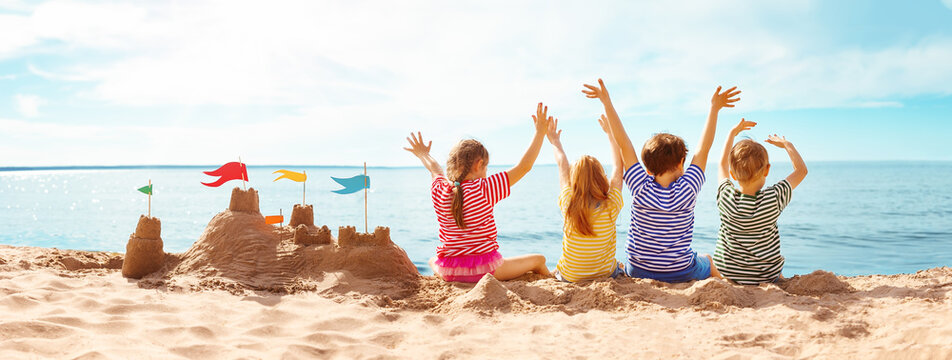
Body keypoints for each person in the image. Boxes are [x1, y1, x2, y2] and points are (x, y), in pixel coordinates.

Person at [583, 78, 738, 282]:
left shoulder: (640, 186)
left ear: (647, 168)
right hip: (680, 271)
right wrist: (714, 109)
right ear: (682, 161)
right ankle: (730, 285)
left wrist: (607, 102)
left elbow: (624, 144)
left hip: (638, 269)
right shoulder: (689, 188)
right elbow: (703, 149)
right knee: (708, 260)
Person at [403, 103, 553, 282]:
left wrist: (422, 154)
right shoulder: (485, 188)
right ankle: (552, 280)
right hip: (486, 270)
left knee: (432, 260)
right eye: (486, 167)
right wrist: (540, 133)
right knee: (539, 260)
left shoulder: (440, 189)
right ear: (479, 164)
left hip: (449, 272)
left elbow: (434, 168)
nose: (487, 172)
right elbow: (524, 167)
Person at [713, 119, 808, 284]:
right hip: (765, 277)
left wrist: (732, 133)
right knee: (778, 272)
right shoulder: (774, 198)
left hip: (728, 273)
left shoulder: (725, 196)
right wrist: (787, 145)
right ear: (767, 170)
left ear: (733, 175)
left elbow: (721, 165)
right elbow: (801, 171)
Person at [546, 114, 626, 282]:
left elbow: (562, 165)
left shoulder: (568, 202)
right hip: (605, 275)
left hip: (570, 276)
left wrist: (555, 141)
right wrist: (611, 135)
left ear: (573, 180)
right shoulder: (611, 204)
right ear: (601, 178)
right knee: (618, 265)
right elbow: (619, 166)